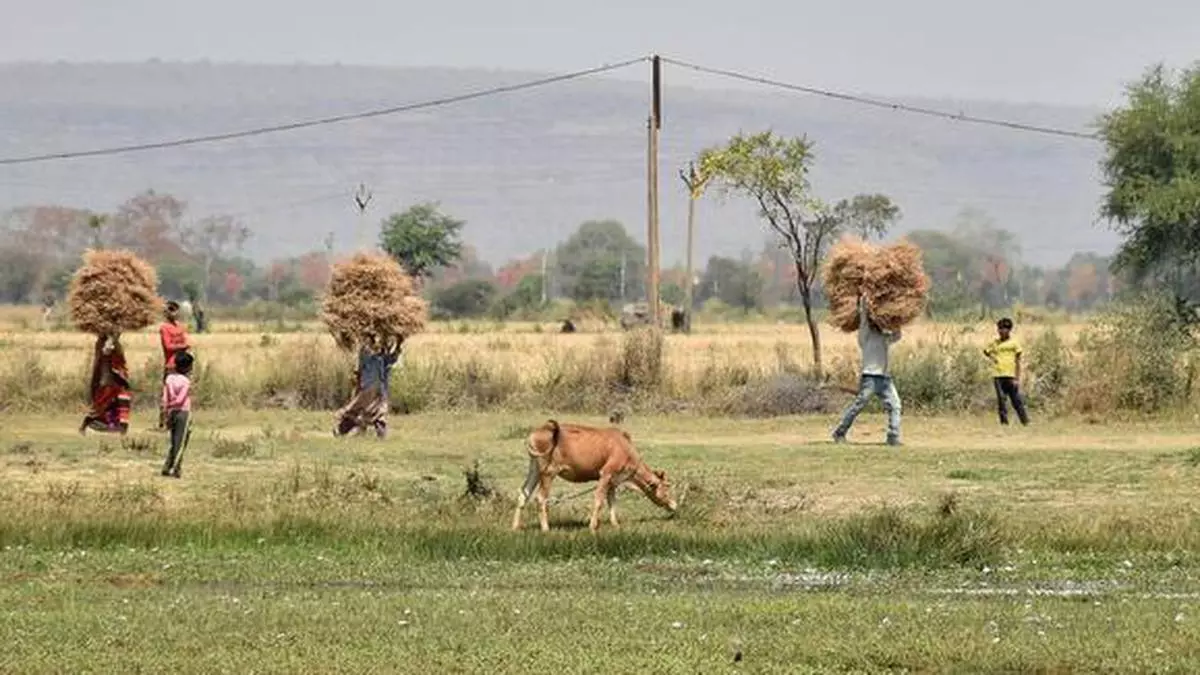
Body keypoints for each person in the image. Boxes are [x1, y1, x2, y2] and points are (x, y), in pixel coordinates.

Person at [832, 296, 904, 446]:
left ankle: (893, 436)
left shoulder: (885, 337)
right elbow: (864, 318)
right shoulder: (865, 336)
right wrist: (865, 302)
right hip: (870, 377)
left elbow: (897, 336)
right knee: (859, 405)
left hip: (884, 379)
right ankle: (839, 432)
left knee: (895, 404)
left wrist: (898, 317)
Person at [333, 336, 402, 439]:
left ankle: (381, 435)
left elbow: (391, 360)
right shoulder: (366, 353)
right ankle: (342, 430)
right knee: (358, 409)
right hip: (368, 387)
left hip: (379, 389)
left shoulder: (381, 357)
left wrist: (398, 346)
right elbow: (361, 365)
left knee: (378, 412)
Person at [80, 334, 132, 436]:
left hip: (116, 379)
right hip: (109, 380)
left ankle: (122, 428)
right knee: (103, 402)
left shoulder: (114, 344)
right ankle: (87, 424)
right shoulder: (105, 343)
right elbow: (106, 353)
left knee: (122, 401)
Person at [984, 317, 1030, 426]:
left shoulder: (1014, 343)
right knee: (1001, 400)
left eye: (1003, 329)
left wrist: (1017, 378)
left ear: (1009, 330)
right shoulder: (995, 343)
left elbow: (1018, 361)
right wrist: (993, 358)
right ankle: (1004, 423)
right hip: (998, 375)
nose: (1001, 331)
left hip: (1010, 375)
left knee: (1016, 400)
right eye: (999, 329)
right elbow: (986, 351)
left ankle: (1025, 422)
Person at [161, 350, 194, 478]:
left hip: (171, 413)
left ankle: (167, 465)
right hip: (183, 412)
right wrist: (175, 404)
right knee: (181, 442)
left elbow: (165, 398)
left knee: (174, 441)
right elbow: (181, 399)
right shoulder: (186, 381)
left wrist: (166, 410)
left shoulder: (169, 379)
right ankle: (176, 468)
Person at [158, 301, 191, 429]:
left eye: (175, 309)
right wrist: (183, 346)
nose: (173, 312)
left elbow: (184, 341)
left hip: (183, 365)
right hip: (171, 365)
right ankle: (164, 422)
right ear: (166, 312)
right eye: (171, 309)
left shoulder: (180, 327)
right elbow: (168, 346)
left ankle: (179, 420)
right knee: (167, 394)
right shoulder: (164, 328)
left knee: (183, 393)